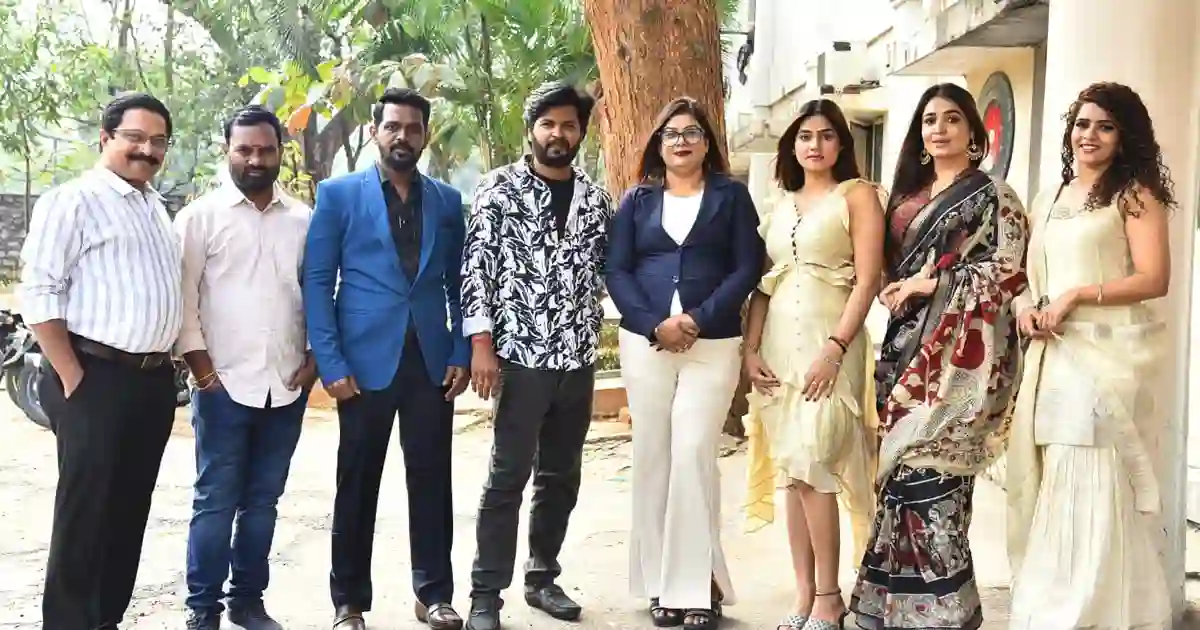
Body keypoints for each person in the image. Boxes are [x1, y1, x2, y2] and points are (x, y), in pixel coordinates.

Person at [847, 83, 1029, 630]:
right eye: (930, 120)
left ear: (973, 132)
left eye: (952, 119)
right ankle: (896, 609)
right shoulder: (905, 198)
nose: (939, 128)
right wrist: (898, 287)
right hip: (903, 355)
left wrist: (935, 284)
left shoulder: (996, 196)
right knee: (900, 482)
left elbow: (1009, 272)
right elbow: (887, 269)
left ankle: (947, 612)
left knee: (936, 482)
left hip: (959, 366)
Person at [1006, 82, 1174, 630]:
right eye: (1082, 124)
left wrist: (1077, 295)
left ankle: (1098, 612)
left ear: (1125, 136)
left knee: (1093, 469)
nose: (1090, 136)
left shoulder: (1134, 195)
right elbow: (1027, 277)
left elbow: (1155, 278)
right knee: (1057, 469)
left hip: (1105, 358)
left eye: (1105, 126)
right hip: (1052, 359)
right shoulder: (1050, 198)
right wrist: (1026, 308)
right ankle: (1055, 606)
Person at [302, 87, 471, 630]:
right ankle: (348, 602)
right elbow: (318, 282)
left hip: (431, 362)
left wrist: (461, 349)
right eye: (393, 126)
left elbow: (459, 283)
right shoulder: (338, 195)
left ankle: (434, 594)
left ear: (425, 135)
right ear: (375, 131)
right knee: (357, 482)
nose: (403, 136)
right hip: (363, 363)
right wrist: (331, 362)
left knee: (432, 480)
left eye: (413, 128)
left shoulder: (446, 200)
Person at [19, 92, 182, 630]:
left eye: (158, 141)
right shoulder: (74, 201)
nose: (147, 150)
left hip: (151, 383)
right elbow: (39, 292)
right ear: (106, 138)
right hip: (95, 377)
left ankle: (105, 619)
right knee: (85, 514)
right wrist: (73, 376)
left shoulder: (154, 206)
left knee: (128, 511)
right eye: (135, 137)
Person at [606, 96, 763, 630]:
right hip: (645, 344)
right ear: (658, 143)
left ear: (706, 142)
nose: (681, 141)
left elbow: (746, 267)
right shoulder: (637, 200)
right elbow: (617, 270)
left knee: (693, 453)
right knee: (653, 456)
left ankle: (694, 588)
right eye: (671, 133)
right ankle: (658, 584)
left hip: (712, 342)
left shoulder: (731, 196)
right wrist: (654, 324)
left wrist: (698, 317)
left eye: (692, 132)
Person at [461, 80, 614, 630]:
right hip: (520, 356)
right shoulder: (498, 189)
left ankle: (543, 577)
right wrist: (481, 343)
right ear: (531, 130)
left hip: (577, 356)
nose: (558, 133)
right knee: (507, 476)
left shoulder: (597, 201)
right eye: (548, 123)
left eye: (569, 125)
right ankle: (485, 594)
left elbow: (609, 272)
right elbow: (476, 268)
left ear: (581, 133)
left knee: (561, 476)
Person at [740, 99, 883, 630]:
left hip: (831, 346)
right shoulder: (780, 204)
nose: (815, 145)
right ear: (793, 146)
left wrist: (836, 347)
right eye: (805, 136)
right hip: (779, 347)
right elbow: (763, 285)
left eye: (825, 135)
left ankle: (829, 596)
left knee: (813, 461)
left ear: (841, 144)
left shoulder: (858, 196)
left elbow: (868, 280)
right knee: (793, 473)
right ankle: (804, 595)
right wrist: (751, 349)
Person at [175, 105, 317, 630]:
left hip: (285, 387)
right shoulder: (199, 219)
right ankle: (203, 609)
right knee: (215, 502)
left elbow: (319, 292)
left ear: (281, 152)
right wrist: (204, 374)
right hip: (222, 388)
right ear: (227, 151)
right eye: (245, 150)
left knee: (262, 504)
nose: (256, 159)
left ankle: (248, 602)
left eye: (266, 150)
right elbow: (183, 302)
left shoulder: (303, 220)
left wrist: (315, 360)